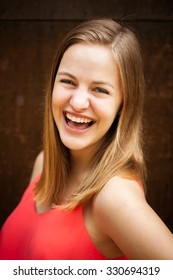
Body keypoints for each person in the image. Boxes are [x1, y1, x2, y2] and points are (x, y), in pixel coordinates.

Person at [0, 18, 173, 260]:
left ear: (124, 105)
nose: (78, 103)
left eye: (100, 90)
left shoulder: (114, 197)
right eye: (68, 82)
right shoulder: (44, 164)